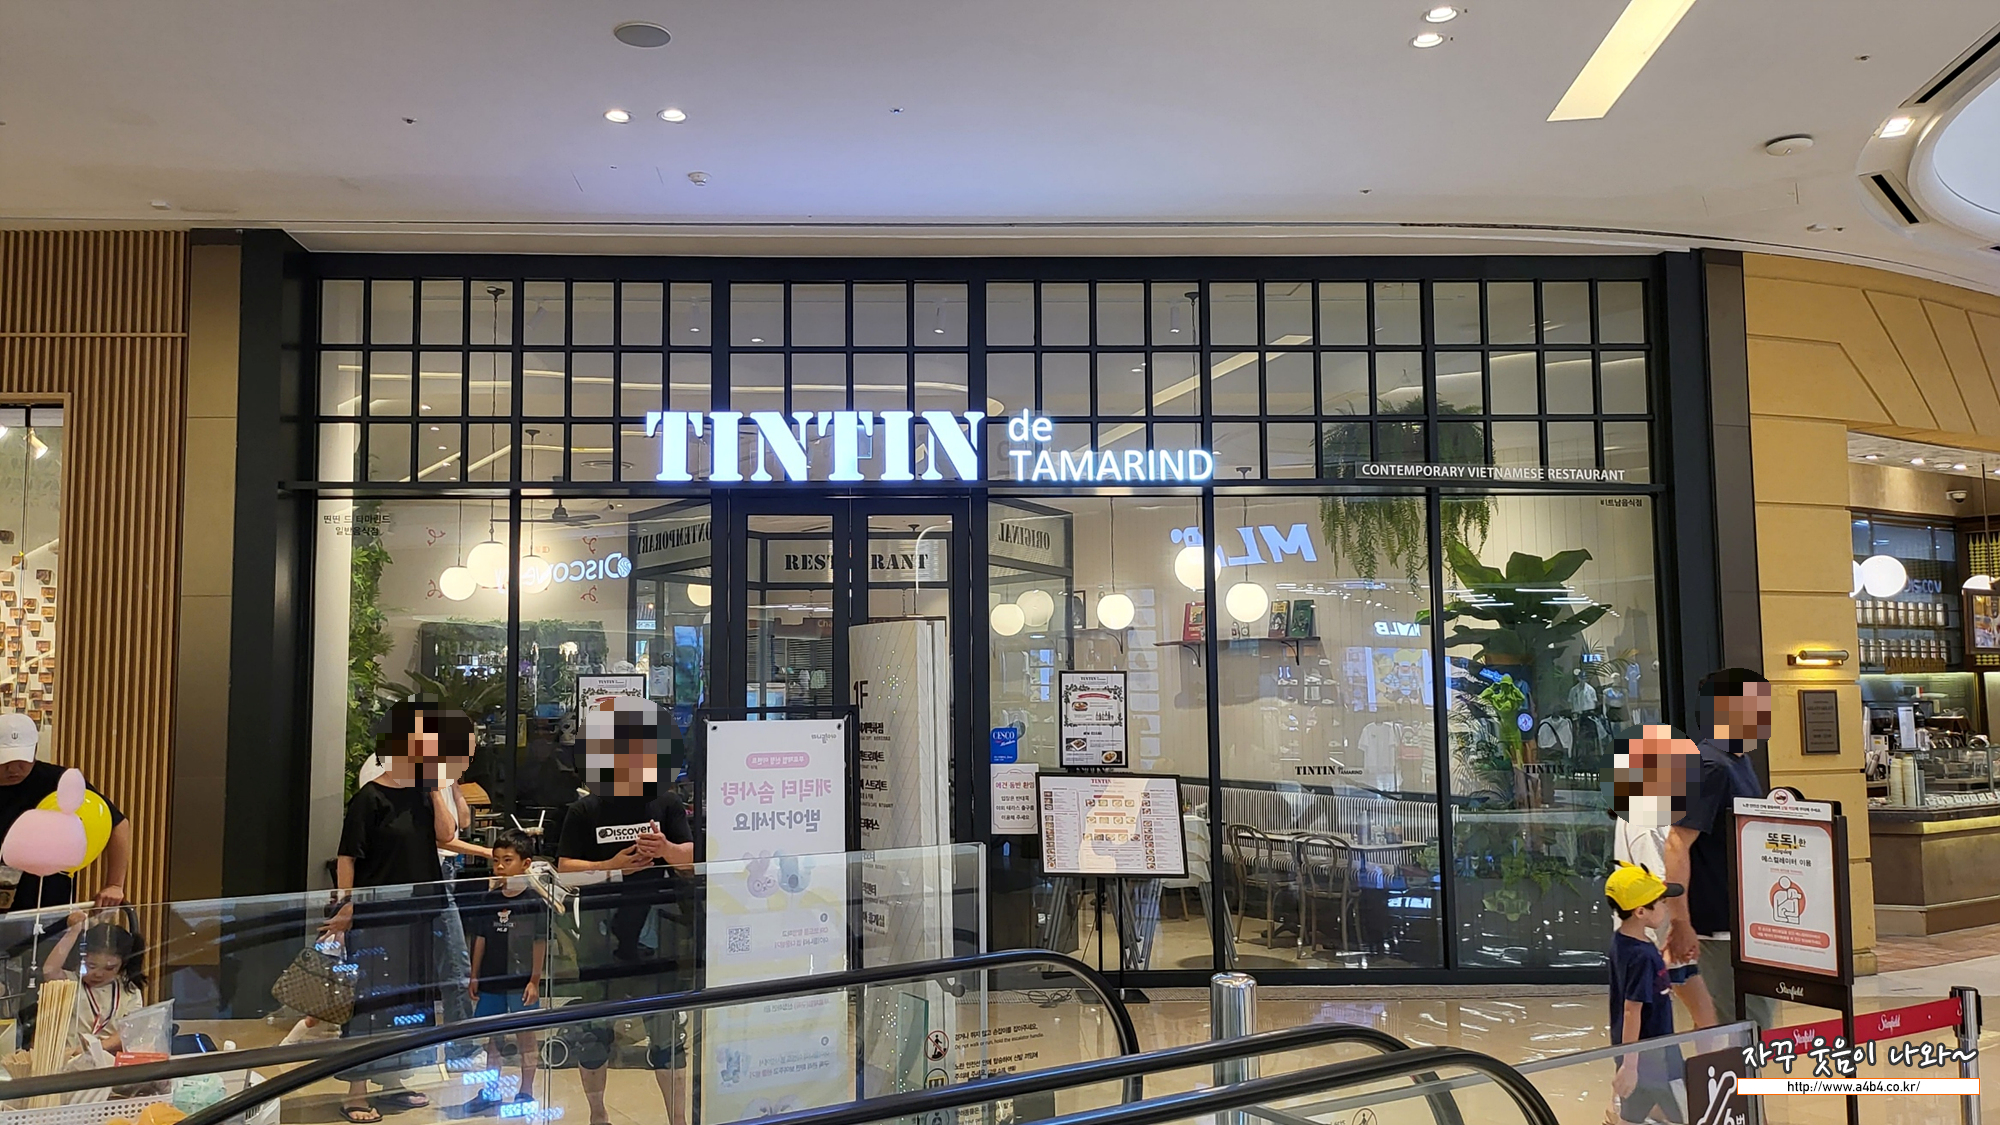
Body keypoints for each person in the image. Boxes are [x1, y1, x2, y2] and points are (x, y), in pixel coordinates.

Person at [324, 699, 477, 1125]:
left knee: (409, 1000)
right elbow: (347, 857)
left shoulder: (423, 792)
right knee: (370, 1000)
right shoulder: (369, 798)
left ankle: (393, 1079)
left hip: (420, 912)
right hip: (378, 915)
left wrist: (435, 787)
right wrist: (346, 905)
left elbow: (447, 834)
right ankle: (357, 1091)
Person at [556, 697, 694, 1125]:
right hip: (600, 935)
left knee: (667, 1034)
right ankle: (598, 1115)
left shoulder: (666, 804)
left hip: (656, 932)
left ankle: (677, 1120)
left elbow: (691, 860)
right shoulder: (585, 808)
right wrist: (610, 867)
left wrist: (665, 849)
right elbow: (565, 868)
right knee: (594, 1033)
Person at [1662, 668, 1777, 1029]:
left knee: (1733, 1025)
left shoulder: (1738, 761)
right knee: (1745, 1025)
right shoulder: (1709, 765)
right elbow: (1677, 843)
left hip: (1746, 919)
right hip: (1719, 925)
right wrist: (1681, 921)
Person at [1612, 725, 1717, 1030]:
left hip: (1649, 937)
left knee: (1677, 1018)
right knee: (1702, 1019)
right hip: (1656, 939)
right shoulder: (1647, 820)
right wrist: (1679, 931)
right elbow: (1659, 885)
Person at [0, 714, 132, 912]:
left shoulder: (60, 780)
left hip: (48, 906)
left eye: (22, 760)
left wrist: (114, 884)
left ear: (34, 751)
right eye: (4, 760)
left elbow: (118, 824)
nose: (13, 769)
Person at [463, 830, 547, 1115]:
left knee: (526, 1038)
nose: (500, 866)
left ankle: (526, 1091)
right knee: (492, 1039)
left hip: (521, 981)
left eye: (507, 860)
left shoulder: (534, 900)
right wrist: (475, 975)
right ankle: (491, 1090)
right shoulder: (489, 899)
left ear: (525, 863)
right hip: (492, 979)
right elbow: (481, 939)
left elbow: (539, 942)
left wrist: (534, 980)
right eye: (496, 860)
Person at [1605, 863, 1686, 1125]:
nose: (1665, 907)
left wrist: (1663, 960)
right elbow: (1632, 1009)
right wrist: (1630, 1066)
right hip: (1656, 1053)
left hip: (1636, 1052)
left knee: (1632, 1116)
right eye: (1660, 902)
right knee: (1689, 1112)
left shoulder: (1624, 942)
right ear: (1641, 911)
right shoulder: (1641, 956)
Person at [39, 909, 144, 1055]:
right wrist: (73, 932)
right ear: (81, 959)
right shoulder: (70, 981)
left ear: (123, 964)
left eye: (110, 968)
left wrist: (97, 1048)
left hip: (108, 1057)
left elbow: (130, 1030)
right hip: (69, 1056)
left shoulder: (129, 990)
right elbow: (49, 971)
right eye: (91, 966)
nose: (98, 974)